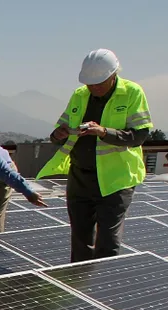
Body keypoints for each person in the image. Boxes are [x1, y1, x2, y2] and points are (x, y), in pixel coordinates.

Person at [38, 48, 151, 262]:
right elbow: (58, 133)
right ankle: (79, 287)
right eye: (90, 84)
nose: (94, 88)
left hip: (115, 179)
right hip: (81, 177)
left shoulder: (132, 93)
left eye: (99, 83)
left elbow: (139, 136)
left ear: (113, 75)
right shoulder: (80, 95)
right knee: (80, 239)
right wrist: (58, 134)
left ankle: (103, 289)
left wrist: (104, 132)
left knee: (107, 242)